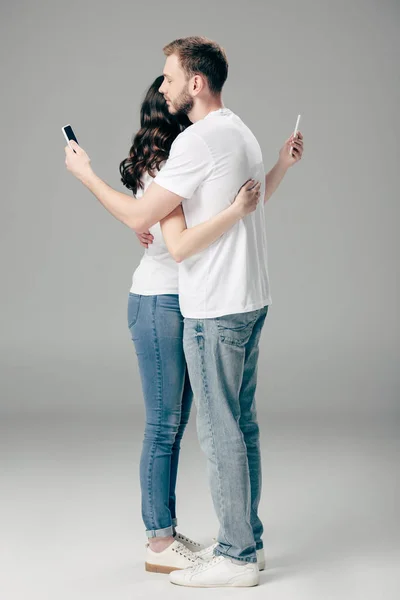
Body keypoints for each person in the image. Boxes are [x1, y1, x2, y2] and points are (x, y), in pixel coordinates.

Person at [64, 36, 303, 588]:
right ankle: (189, 540)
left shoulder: (196, 146)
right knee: (204, 426)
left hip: (213, 304)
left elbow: (185, 231)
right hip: (211, 301)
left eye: (169, 77)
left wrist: (86, 176)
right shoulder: (226, 135)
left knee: (221, 432)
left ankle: (238, 551)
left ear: (194, 85)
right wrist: (245, 203)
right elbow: (175, 233)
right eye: (163, 85)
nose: (165, 86)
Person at [121, 75, 262, 574]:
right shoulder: (168, 169)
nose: (173, 97)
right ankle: (159, 541)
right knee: (166, 426)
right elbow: (171, 240)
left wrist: (274, 174)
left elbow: (238, 212)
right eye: (168, 95)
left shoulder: (191, 159)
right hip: (160, 302)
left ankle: (183, 535)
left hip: (192, 303)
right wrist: (89, 177)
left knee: (185, 425)